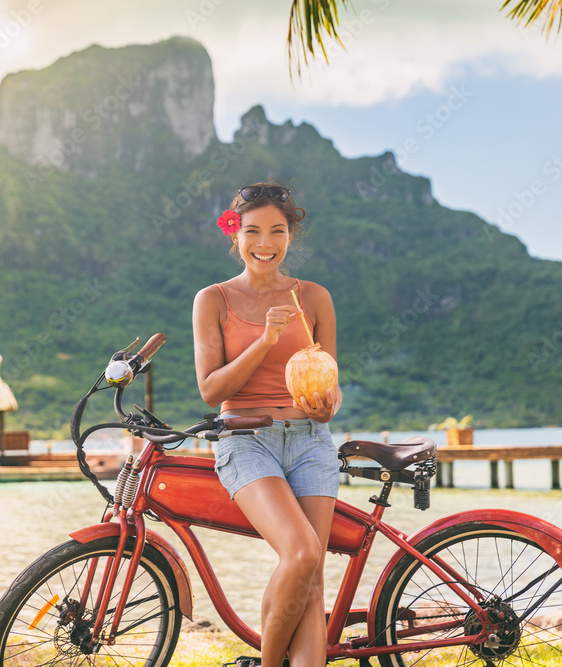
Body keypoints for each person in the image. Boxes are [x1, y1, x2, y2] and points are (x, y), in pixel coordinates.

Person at [192, 182, 341, 667]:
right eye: (253, 230)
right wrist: (264, 340)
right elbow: (212, 391)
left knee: (312, 579)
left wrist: (326, 406)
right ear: (234, 234)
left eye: (277, 231)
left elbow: (329, 377)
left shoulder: (313, 298)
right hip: (245, 441)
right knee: (301, 553)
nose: (265, 242)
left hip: (311, 442)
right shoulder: (213, 299)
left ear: (290, 237)